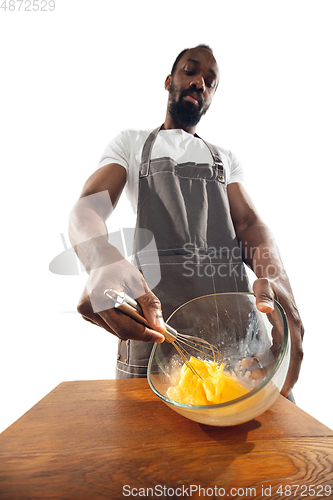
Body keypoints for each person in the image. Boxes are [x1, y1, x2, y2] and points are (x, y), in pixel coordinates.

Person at [68, 44, 303, 398]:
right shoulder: (130, 144)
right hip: (160, 337)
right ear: (169, 81)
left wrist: (278, 280)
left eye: (210, 81)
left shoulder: (225, 160)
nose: (200, 83)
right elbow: (88, 207)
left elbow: (250, 225)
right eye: (191, 72)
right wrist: (99, 256)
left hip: (239, 343)